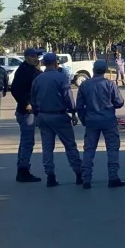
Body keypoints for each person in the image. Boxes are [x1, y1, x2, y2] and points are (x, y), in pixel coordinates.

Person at [31, 53, 83, 187]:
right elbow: (67, 96)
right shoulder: (61, 78)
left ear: (43, 63)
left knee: (47, 148)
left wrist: (38, 113)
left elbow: (33, 99)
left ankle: (50, 176)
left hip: (43, 116)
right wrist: (73, 112)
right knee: (70, 145)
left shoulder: (38, 79)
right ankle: (79, 173)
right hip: (59, 116)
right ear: (56, 63)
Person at [76, 60, 125, 189]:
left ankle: (86, 179)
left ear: (93, 70)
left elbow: (79, 106)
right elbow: (119, 102)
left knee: (89, 150)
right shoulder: (110, 84)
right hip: (108, 120)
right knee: (112, 149)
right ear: (104, 70)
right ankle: (113, 177)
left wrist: (84, 120)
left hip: (91, 121)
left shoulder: (84, 85)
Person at [11, 48, 44, 183]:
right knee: (27, 141)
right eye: (33, 56)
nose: (36, 58)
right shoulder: (24, 70)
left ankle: (23, 168)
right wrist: (26, 103)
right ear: (27, 57)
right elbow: (15, 89)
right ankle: (23, 171)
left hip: (31, 110)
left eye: (37, 56)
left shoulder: (31, 70)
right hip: (26, 111)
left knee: (26, 141)